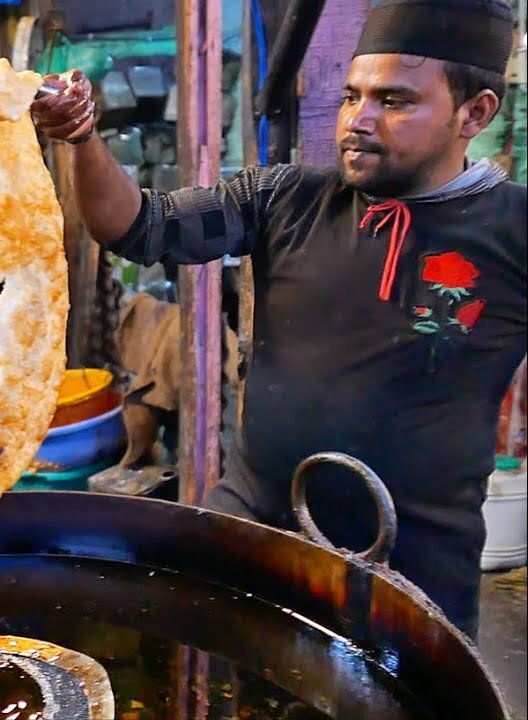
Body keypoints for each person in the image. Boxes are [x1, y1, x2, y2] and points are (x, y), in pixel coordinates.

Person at [31, 0, 525, 639]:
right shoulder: (285, 198)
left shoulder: (513, 232)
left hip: (409, 565)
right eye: (352, 96)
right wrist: (81, 138)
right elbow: (136, 225)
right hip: (256, 527)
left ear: (475, 113)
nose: (358, 121)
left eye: (394, 102)